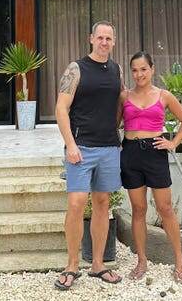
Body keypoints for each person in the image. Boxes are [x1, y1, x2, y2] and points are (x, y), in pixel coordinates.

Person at [54, 20, 125, 291]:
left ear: (113, 42)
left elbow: (120, 103)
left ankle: (97, 264)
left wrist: (116, 130)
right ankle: (72, 265)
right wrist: (70, 145)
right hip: (81, 147)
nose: (104, 42)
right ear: (91, 39)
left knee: (103, 203)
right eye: (100, 37)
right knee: (76, 203)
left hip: (108, 147)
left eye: (109, 38)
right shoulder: (76, 68)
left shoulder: (116, 70)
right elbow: (61, 108)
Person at [120, 51, 182, 284]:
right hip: (131, 154)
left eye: (143, 69)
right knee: (138, 209)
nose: (139, 74)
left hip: (155, 153)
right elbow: (113, 124)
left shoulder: (164, 95)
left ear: (152, 69)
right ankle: (141, 261)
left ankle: (179, 262)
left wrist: (173, 143)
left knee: (165, 208)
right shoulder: (124, 96)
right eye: (134, 70)